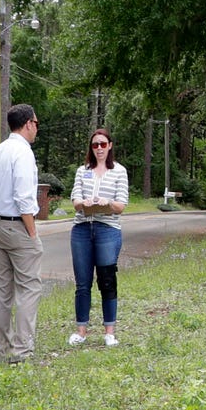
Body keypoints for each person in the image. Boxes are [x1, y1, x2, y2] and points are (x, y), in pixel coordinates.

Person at [0, 103, 45, 365]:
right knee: (30, 288)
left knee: (4, 289)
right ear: (29, 123)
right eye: (37, 124)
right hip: (19, 225)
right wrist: (32, 234)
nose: (36, 129)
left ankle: (2, 351)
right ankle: (22, 352)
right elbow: (23, 197)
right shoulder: (22, 152)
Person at [68, 128, 129, 347]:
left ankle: (109, 331)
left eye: (103, 144)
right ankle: (81, 330)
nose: (100, 149)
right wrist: (84, 203)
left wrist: (107, 204)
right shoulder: (82, 170)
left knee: (107, 280)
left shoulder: (119, 171)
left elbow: (121, 205)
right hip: (82, 229)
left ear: (110, 146)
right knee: (82, 283)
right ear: (91, 148)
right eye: (95, 145)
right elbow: (75, 200)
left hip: (107, 230)